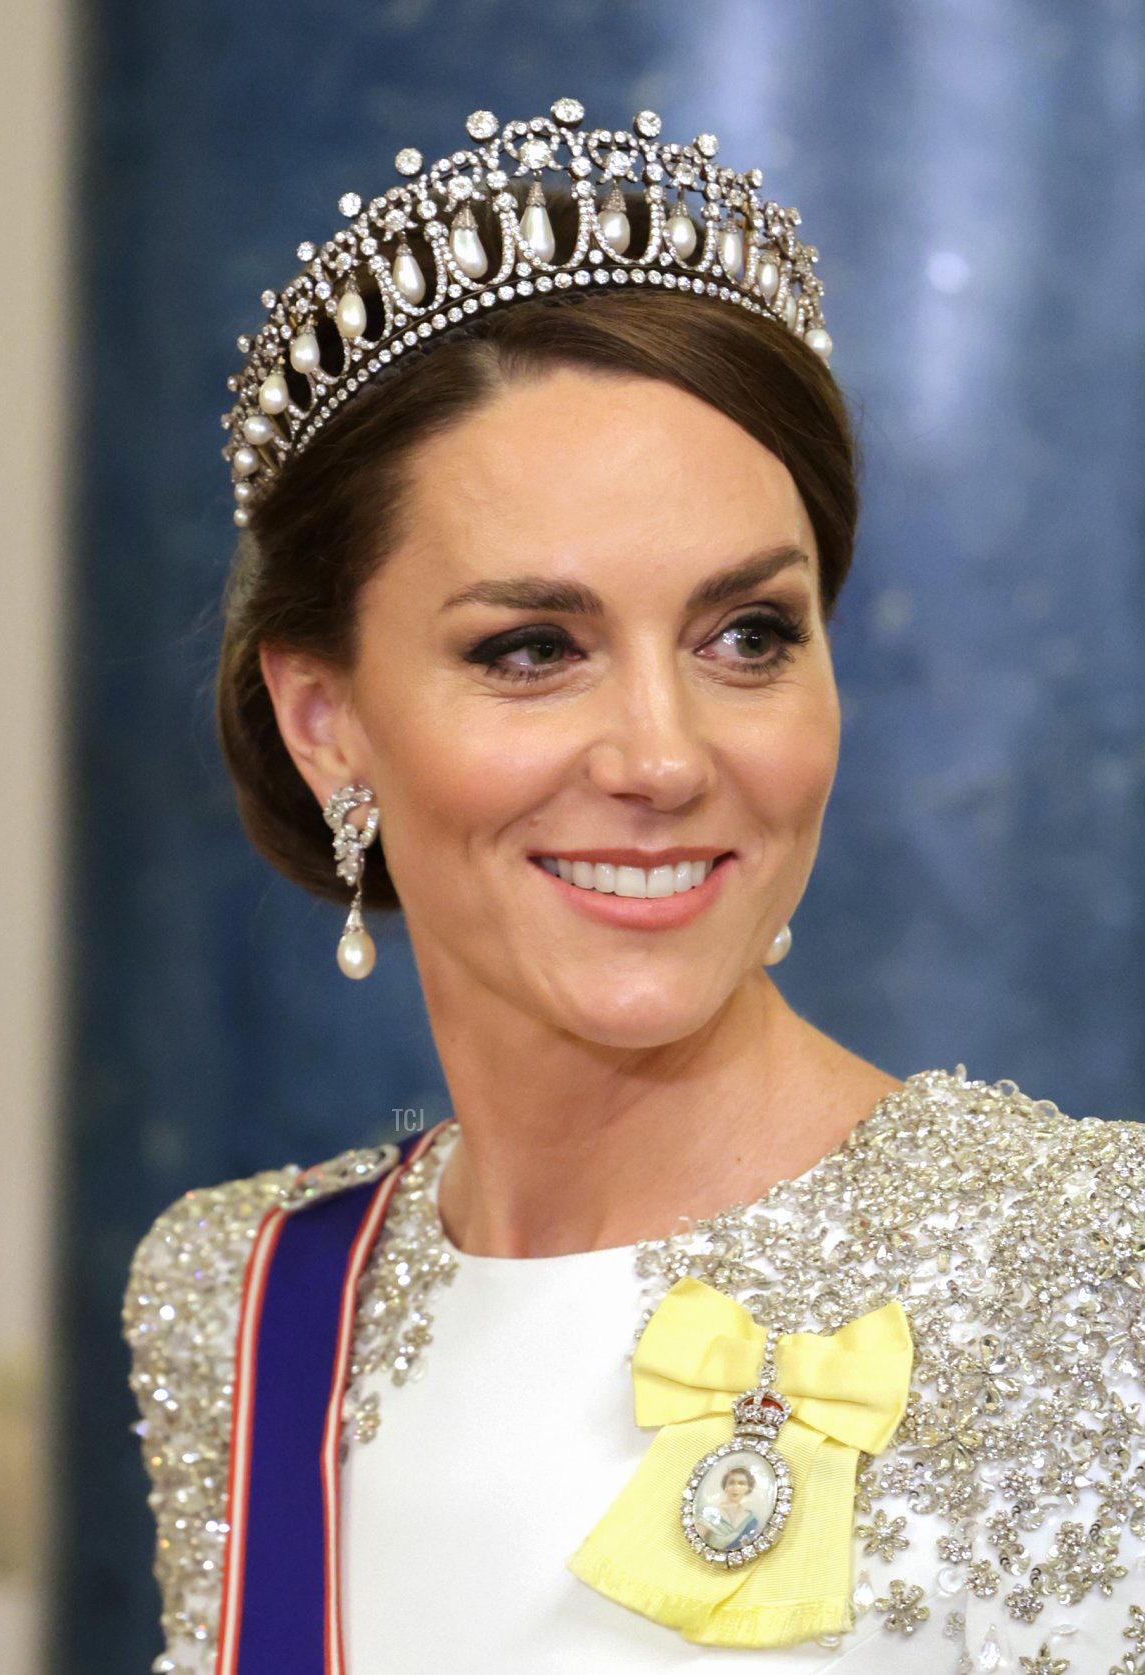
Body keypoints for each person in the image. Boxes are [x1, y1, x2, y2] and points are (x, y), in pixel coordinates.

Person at [124, 98, 1145, 1675]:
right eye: (531, 649)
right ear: (327, 722)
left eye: (747, 636)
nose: (664, 758)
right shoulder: (236, 1303)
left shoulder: (1099, 1280)